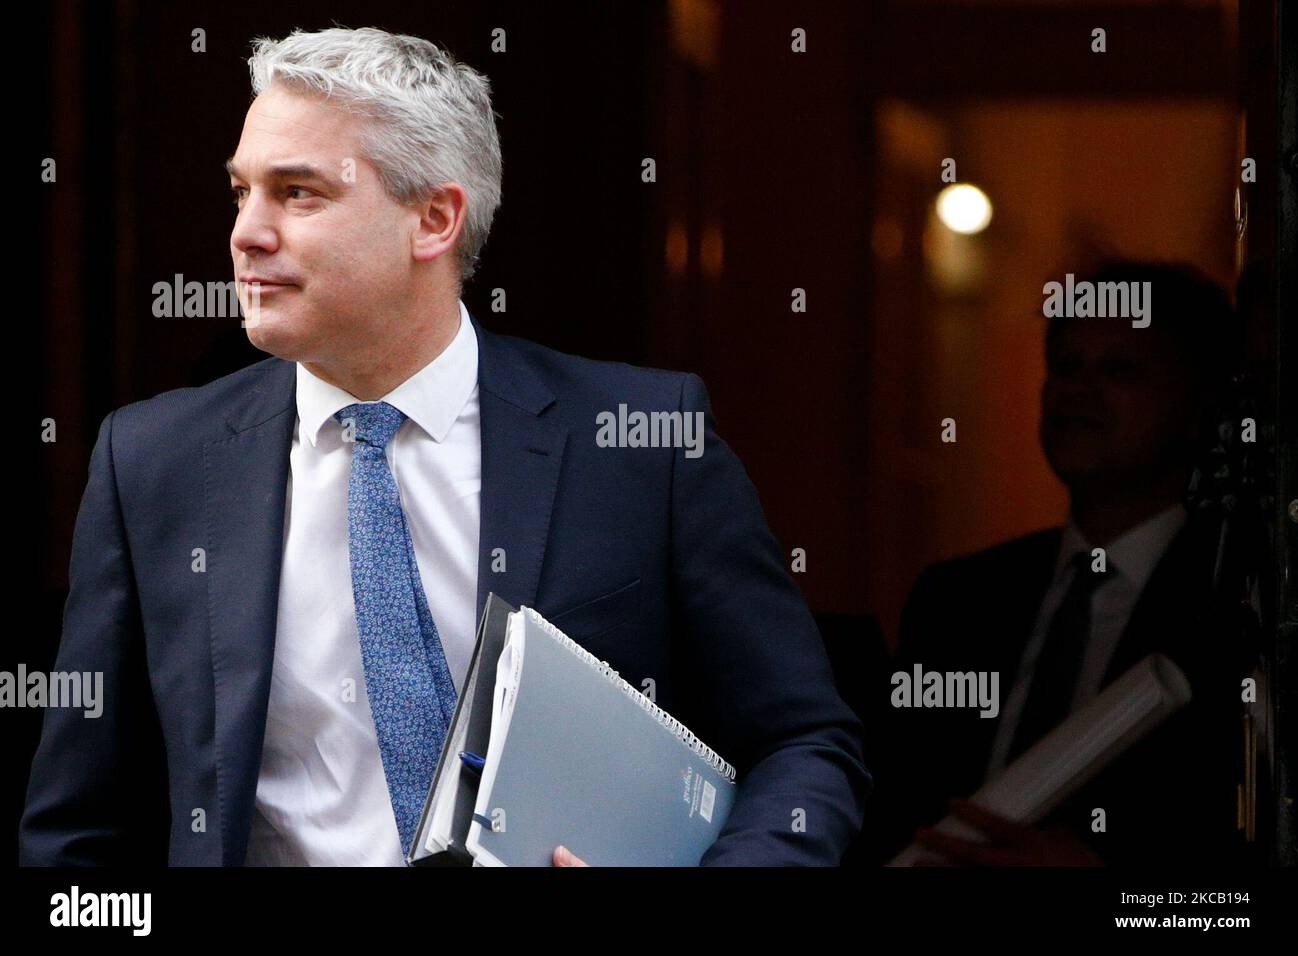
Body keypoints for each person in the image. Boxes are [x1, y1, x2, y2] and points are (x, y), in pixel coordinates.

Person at [20, 27, 869, 867]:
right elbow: (80, 831)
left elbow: (803, 747)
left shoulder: (643, 442)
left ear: (433, 219)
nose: (247, 233)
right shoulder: (154, 461)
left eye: (298, 193)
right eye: (241, 192)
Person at [869, 261, 1248, 867]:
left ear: (1199, 402)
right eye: (1065, 366)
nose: (1077, 391)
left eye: (1120, 368)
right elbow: (889, 810)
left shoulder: (1243, 604)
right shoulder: (957, 598)